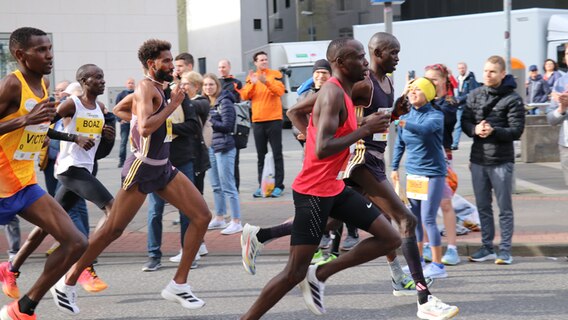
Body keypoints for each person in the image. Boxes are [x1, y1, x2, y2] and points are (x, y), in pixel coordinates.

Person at [243, 33, 459, 319]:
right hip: (319, 187)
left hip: (333, 185)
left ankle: (310, 267)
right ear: (342, 63)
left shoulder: (352, 89)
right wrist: (359, 131)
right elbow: (318, 143)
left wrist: (389, 117)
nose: (365, 63)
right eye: (360, 57)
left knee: (389, 236)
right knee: (293, 272)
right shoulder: (337, 91)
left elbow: (345, 131)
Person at [48, 39, 211, 315]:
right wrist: (171, 106)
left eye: (172, 61)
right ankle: (67, 282)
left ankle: (179, 285)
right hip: (142, 167)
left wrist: (137, 119)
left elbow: (122, 110)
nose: (172, 66)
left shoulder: (158, 87)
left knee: (202, 216)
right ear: (152, 64)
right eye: (167, 61)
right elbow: (147, 127)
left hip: (163, 166)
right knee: (113, 229)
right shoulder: (147, 86)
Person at [7, 64, 116, 301]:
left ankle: (11, 268)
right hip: (69, 169)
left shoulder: (99, 109)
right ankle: (84, 268)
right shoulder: (71, 104)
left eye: (103, 77)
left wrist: (108, 140)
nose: (102, 81)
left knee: (45, 227)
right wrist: (74, 137)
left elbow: (97, 152)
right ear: (84, 81)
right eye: (97, 77)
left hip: (85, 169)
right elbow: (43, 129)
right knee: (113, 209)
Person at [0, 26, 87, 320]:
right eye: (41, 50)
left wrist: (41, 133)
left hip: (24, 182)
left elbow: (33, 125)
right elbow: (23, 119)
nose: (49, 55)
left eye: (49, 48)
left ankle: (23, 308)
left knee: (76, 242)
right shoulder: (11, 84)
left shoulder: (46, 84)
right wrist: (25, 119)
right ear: (20, 55)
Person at [143, 70, 210, 271]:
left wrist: (167, 127)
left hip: (182, 161)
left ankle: (188, 254)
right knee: (155, 211)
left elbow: (193, 127)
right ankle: (153, 256)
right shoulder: (149, 97)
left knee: (186, 211)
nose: (166, 85)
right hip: (157, 162)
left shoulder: (180, 98)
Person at [462, 55, 525, 265]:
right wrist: (474, 129)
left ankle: (505, 250)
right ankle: (487, 247)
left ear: (502, 74)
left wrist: (493, 130)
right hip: (478, 159)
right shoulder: (474, 94)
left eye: (492, 72)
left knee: (504, 208)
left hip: (501, 160)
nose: (488, 75)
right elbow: (465, 122)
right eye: (485, 71)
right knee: (483, 207)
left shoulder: (513, 98)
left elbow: (517, 131)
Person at [391, 77, 451, 280]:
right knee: (413, 220)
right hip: (413, 174)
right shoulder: (406, 116)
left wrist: (401, 121)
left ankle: (438, 265)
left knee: (428, 219)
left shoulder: (435, 116)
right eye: (411, 90)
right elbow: (399, 144)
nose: (413, 93)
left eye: (418, 90)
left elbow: (424, 130)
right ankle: (418, 262)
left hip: (433, 173)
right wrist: (394, 167)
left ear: (428, 94)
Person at [423, 64, 460, 267]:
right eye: (426, 78)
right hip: (420, 159)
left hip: (442, 158)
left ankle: (452, 248)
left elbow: (442, 122)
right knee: (421, 205)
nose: (430, 83)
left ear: (445, 81)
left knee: (445, 203)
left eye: (434, 79)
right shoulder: (420, 100)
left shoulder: (449, 103)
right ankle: (427, 245)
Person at [240, 51, 286, 198]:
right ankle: (262, 185)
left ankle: (278, 185)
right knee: (261, 155)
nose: (264, 62)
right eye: (261, 60)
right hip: (258, 121)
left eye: (266, 59)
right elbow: (245, 95)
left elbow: (280, 91)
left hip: (274, 119)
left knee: (277, 153)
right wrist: (253, 84)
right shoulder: (251, 77)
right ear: (256, 62)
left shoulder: (275, 74)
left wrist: (265, 81)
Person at [202, 73, 243, 235]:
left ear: (217, 86)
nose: (208, 87)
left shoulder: (225, 101)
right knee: (216, 185)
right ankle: (219, 217)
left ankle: (236, 221)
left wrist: (211, 120)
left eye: (211, 84)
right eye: (205, 85)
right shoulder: (206, 103)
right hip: (211, 147)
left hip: (225, 147)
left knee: (228, 186)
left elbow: (227, 125)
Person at [218, 59, 244, 190]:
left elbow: (240, 99)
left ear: (229, 67)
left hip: (233, 123)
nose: (221, 69)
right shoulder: (217, 83)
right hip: (219, 123)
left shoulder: (236, 83)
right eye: (219, 67)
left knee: (234, 159)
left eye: (223, 67)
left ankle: (236, 187)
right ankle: (224, 186)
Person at [547, 45, 568, 186]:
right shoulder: (560, 82)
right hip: (566, 145)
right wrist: (562, 108)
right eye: (567, 53)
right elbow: (551, 119)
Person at [452, 62, 479, 150]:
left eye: (463, 68)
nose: (461, 70)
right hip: (459, 106)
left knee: (473, 123)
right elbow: (456, 91)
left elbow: (471, 92)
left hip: (468, 105)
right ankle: (455, 144)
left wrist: (461, 98)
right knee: (458, 125)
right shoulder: (458, 79)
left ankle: (477, 141)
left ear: (466, 68)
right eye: (459, 68)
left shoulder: (470, 79)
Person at [115, 77, 135, 168]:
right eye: (129, 83)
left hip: (136, 123)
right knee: (123, 142)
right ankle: (121, 161)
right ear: (126, 84)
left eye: (132, 83)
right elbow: (116, 108)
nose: (130, 84)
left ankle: (135, 161)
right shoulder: (121, 95)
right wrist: (119, 120)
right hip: (125, 123)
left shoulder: (138, 94)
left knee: (136, 142)